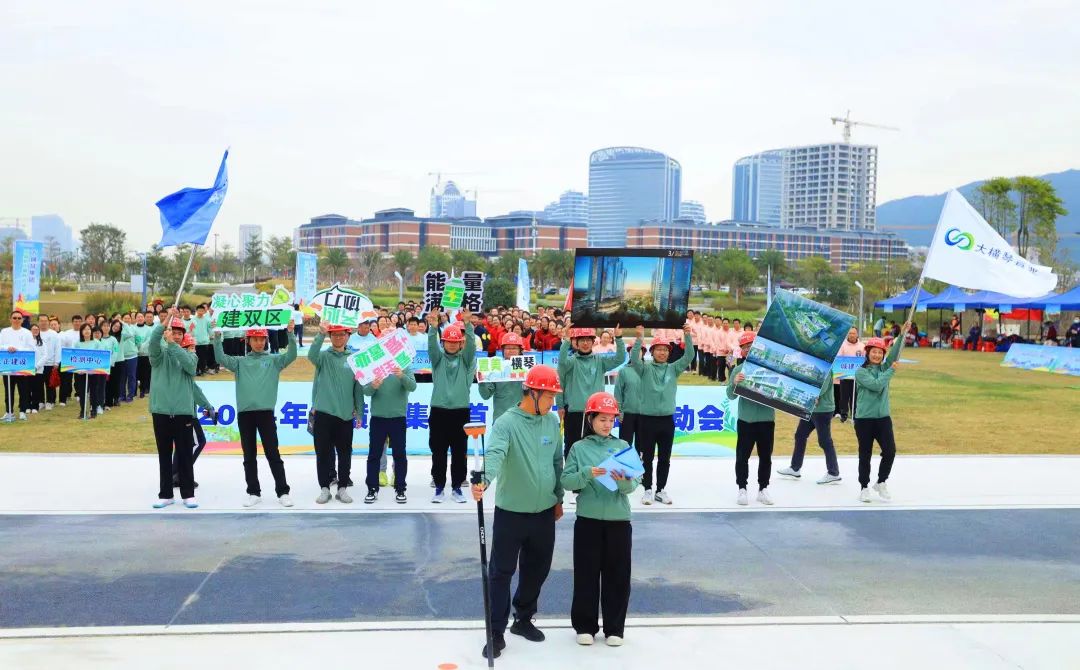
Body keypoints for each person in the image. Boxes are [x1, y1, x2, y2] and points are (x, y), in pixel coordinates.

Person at [472, 365, 565, 661]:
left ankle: (523, 618)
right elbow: (495, 454)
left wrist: (558, 498)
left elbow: (556, 462)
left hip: (544, 513)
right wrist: (484, 480)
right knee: (501, 572)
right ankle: (495, 632)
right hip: (511, 513)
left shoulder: (551, 422)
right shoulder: (506, 423)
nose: (553, 402)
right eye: (549, 396)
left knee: (538, 569)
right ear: (533, 393)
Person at [562, 391, 639, 647]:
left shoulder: (623, 445)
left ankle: (615, 628)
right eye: (602, 419)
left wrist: (623, 481)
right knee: (586, 574)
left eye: (611, 419)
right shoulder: (578, 448)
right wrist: (586, 473)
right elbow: (567, 481)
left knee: (618, 576)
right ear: (590, 419)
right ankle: (585, 626)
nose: (607, 424)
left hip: (619, 521)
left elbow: (634, 484)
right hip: (588, 520)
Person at [214, 323, 298, 508]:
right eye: (255, 339)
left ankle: (283, 492)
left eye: (262, 339)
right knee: (249, 455)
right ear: (248, 341)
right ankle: (253, 492)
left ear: (266, 341)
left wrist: (291, 334)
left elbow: (292, 355)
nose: (259, 343)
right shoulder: (240, 362)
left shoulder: (274, 360)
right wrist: (218, 337)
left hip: (266, 414)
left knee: (273, 454)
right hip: (245, 415)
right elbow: (220, 357)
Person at [629, 323, 693, 505]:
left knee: (665, 458)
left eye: (665, 350)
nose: (662, 353)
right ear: (652, 352)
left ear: (669, 353)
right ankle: (647, 489)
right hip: (646, 421)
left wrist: (687, 335)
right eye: (658, 349)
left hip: (666, 421)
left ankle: (661, 489)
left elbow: (689, 356)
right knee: (647, 458)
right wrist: (639, 338)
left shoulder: (673, 369)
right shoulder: (645, 369)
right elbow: (634, 359)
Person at [308, 322, 366, 504]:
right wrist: (320, 334)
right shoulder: (323, 357)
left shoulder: (354, 359)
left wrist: (360, 412)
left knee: (345, 454)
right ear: (330, 336)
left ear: (348, 336)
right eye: (334, 334)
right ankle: (324, 488)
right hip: (324, 413)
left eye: (342, 334)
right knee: (323, 454)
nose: (338, 337)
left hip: (345, 415)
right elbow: (311, 355)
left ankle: (342, 488)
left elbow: (358, 388)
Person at [149, 310, 200, 509]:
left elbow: (191, 368)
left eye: (180, 333)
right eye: (173, 332)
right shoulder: (158, 356)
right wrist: (166, 320)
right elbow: (154, 341)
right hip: (161, 411)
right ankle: (166, 494)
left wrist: (173, 345)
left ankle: (188, 494)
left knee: (185, 454)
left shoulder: (190, 354)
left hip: (183, 412)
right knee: (164, 454)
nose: (176, 335)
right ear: (167, 333)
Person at [427, 308, 477, 504]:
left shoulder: (466, 360)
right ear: (443, 342)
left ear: (460, 343)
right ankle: (439, 487)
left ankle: (457, 487)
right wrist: (433, 328)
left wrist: (468, 324)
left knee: (459, 453)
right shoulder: (438, 360)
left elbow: (471, 346)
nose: (452, 344)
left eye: (455, 342)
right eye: (448, 341)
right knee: (438, 452)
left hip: (460, 412)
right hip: (439, 412)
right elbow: (432, 347)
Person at [558, 323, 626, 457]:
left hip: (596, 413)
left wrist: (618, 338)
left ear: (593, 342)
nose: (585, 343)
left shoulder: (600, 360)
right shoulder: (571, 361)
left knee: (595, 448)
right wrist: (566, 340)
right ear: (576, 343)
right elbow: (562, 362)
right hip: (575, 412)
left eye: (588, 340)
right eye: (582, 340)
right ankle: (571, 471)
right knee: (571, 447)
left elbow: (620, 358)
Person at [854, 330, 906, 503]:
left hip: (883, 418)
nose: (877, 355)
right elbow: (876, 385)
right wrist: (891, 371)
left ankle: (881, 482)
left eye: (880, 352)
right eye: (874, 352)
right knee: (865, 454)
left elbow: (895, 355)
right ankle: (864, 487)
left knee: (890, 451)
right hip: (864, 420)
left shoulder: (884, 368)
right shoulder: (861, 372)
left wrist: (902, 334)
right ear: (867, 353)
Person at [726, 331, 777, 506]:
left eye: (752, 346)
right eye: (745, 347)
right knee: (742, 457)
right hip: (746, 420)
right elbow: (730, 396)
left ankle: (763, 489)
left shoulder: (771, 369)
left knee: (766, 457)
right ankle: (742, 488)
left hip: (766, 419)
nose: (749, 349)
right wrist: (734, 383)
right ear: (741, 351)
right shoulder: (738, 370)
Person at [362, 363, 417, 504]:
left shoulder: (404, 365)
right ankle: (372, 489)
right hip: (378, 418)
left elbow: (413, 386)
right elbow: (366, 391)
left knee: (399, 455)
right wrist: (373, 386)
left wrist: (401, 376)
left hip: (398, 418)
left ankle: (400, 489)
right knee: (374, 455)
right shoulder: (375, 366)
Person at [778, 372, 842, 484]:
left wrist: (814, 396)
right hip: (811, 409)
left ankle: (833, 473)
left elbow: (823, 387)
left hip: (823, 410)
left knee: (825, 441)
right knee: (800, 435)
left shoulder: (827, 368)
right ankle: (795, 468)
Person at [478, 332, 525, 422]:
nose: (511, 351)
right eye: (508, 348)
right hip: (501, 420)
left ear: (520, 350)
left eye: (514, 348)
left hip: (522, 419)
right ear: (503, 350)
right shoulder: (495, 369)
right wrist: (482, 381)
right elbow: (485, 395)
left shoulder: (528, 369)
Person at [2, 310, 36, 420]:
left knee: (23, 390)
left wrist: (17, 349)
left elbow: (31, 348)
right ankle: (9, 412)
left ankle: (22, 411)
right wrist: (8, 348)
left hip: (22, 366)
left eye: (19, 318)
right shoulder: (4, 332)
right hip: (8, 365)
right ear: (10, 319)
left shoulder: (27, 332)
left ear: (22, 320)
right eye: (14, 318)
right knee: (8, 390)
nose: (16, 320)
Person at [613, 344, 642, 450]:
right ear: (629, 353)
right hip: (627, 415)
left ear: (643, 353)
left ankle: (640, 461)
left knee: (642, 446)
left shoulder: (648, 370)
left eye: (639, 350)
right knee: (625, 446)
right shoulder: (623, 371)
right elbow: (618, 392)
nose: (635, 353)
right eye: (632, 350)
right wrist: (619, 411)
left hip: (644, 415)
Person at [834, 326, 864, 422]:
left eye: (853, 333)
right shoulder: (842, 345)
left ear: (857, 334)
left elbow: (864, 360)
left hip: (856, 377)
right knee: (844, 396)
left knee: (855, 396)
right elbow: (838, 359)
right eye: (850, 333)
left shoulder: (862, 346)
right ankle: (844, 415)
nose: (852, 335)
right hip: (845, 375)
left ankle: (854, 415)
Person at [58, 314, 83, 406]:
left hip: (79, 358)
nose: (77, 323)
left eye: (79, 321)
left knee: (79, 378)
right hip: (68, 358)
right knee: (66, 380)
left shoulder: (84, 332)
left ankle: (79, 394)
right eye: (75, 321)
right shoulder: (67, 333)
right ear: (72, 322)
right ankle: (63, 399)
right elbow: (63, 346)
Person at [37, 315, 60, 410]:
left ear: (48, 322)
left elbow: (58, 348)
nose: (43, 322)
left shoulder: (54, 334)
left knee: (50, 384)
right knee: (38, 384)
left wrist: (56, 362)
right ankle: (40, 401)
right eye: (41, 321)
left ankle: (50, 401)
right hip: (38, 364)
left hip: (50, 363)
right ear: (38, 322)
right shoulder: (36, 333)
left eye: (45, 321)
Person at [119, 314, 139, 402]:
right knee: (122, 377)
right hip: (121, 357)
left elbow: (138, 340)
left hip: (132, 356)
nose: (127, 320)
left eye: (128, 318)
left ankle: (130, 395)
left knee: (132, 377)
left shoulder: (134, 328)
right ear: (122, 319)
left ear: (131, 319)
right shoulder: (119, 328)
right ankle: (121, 395)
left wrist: (135, 348)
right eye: (125, 318)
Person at [192, 303, 215, 375]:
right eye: (199, 310)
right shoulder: (193, 320)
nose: (200, 312)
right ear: (196, 311)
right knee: (195, 357)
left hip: (204, 341)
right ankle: (196, 370)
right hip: (195, 342)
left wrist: (212, 335)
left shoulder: (207, 320)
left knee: (203, 357)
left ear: (205, 311)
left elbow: (210, 328)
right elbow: (190, 329)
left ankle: (202, 370)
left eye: (202, 311)